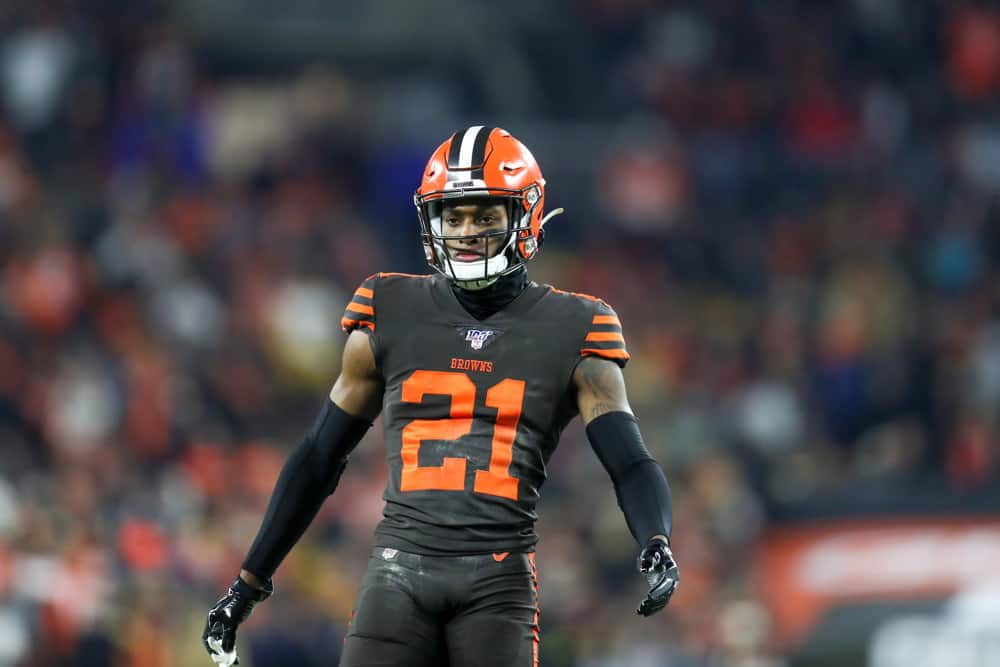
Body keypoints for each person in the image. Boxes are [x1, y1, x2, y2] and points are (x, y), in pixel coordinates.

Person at [202, 126, 679, 666]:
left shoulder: (576, 324)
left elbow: (629, 458)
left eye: (484, 215)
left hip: (497, 581)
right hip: (397, 571)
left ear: (525, 217)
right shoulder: (389, 307)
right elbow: (319, 456)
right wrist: (250, 580)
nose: (466, 231)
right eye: (454, 216)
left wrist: (654, 537)